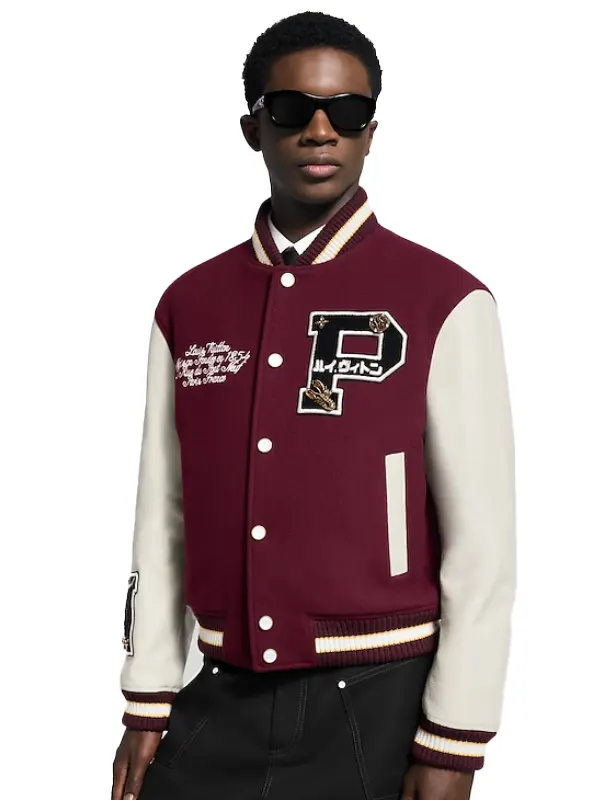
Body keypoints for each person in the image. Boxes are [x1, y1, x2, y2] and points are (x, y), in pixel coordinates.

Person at [111, 10, 516, 800]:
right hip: (219, 693)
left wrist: (455, 739)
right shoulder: (188, 304)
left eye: (348, 112)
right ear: (252, 128)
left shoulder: (444, 300)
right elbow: (163, 515)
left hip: (380, 702)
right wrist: (148, 694)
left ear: (372, 132)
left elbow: (484, 547)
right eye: (293, 109)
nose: (321, 130)